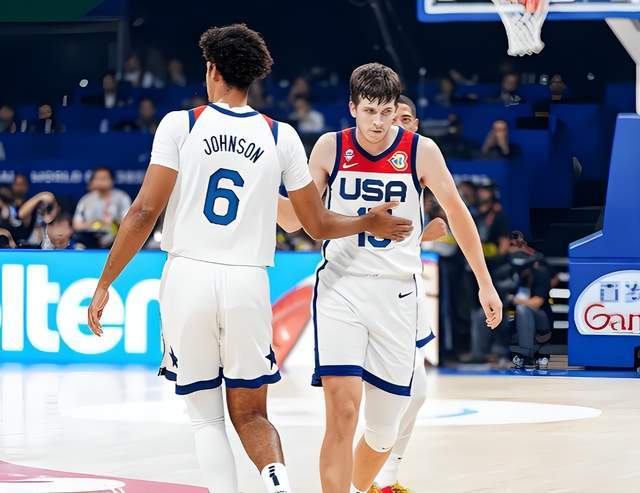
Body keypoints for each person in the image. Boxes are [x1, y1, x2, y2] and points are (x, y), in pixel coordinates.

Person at [86, 24, 411, 493]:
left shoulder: (181, 124)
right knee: (253, 413)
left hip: (189, 275)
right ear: (253, 76)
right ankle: (278, 485)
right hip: (248, 283)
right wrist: (366, 222)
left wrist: (105, 283)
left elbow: (142, 212)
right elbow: (313, 224)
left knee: (206, 418)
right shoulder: (281, 135)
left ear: (212, 71)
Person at [277, 63, 502, 493]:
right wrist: (262, 191)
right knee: (342, 413)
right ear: (352, 108)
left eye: (385, 112)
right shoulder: (329, 147)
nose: (378, 122)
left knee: (383, 432)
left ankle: (361, 488)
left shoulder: (421, 151)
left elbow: (457, 214)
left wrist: (485, 282)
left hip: (396, 295)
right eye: (369, 111)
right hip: (341, 289)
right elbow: (295, 220)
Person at [366, 95, 447, 493]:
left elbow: (446, 219)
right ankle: (366, 476)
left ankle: (385, 477)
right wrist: (422, 236)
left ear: (415, 124)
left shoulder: (420, 159)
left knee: (416, 392)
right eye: (389, 116)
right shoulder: (364, 159)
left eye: (405, 118)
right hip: (364, 287)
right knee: (377, 398)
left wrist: (424, 235)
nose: (397, 123)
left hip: (403, 288)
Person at [73, 167, 131, 248]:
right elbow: (76, 225)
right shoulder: (86, 199)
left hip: (115, 237)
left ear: (112, 181)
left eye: (104, 178)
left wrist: (112, 224)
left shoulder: (122, 197)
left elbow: (128, 222)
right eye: (97, 178)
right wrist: (93, 225)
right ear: (92, 181)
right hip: (91, 236)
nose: (100, 181)